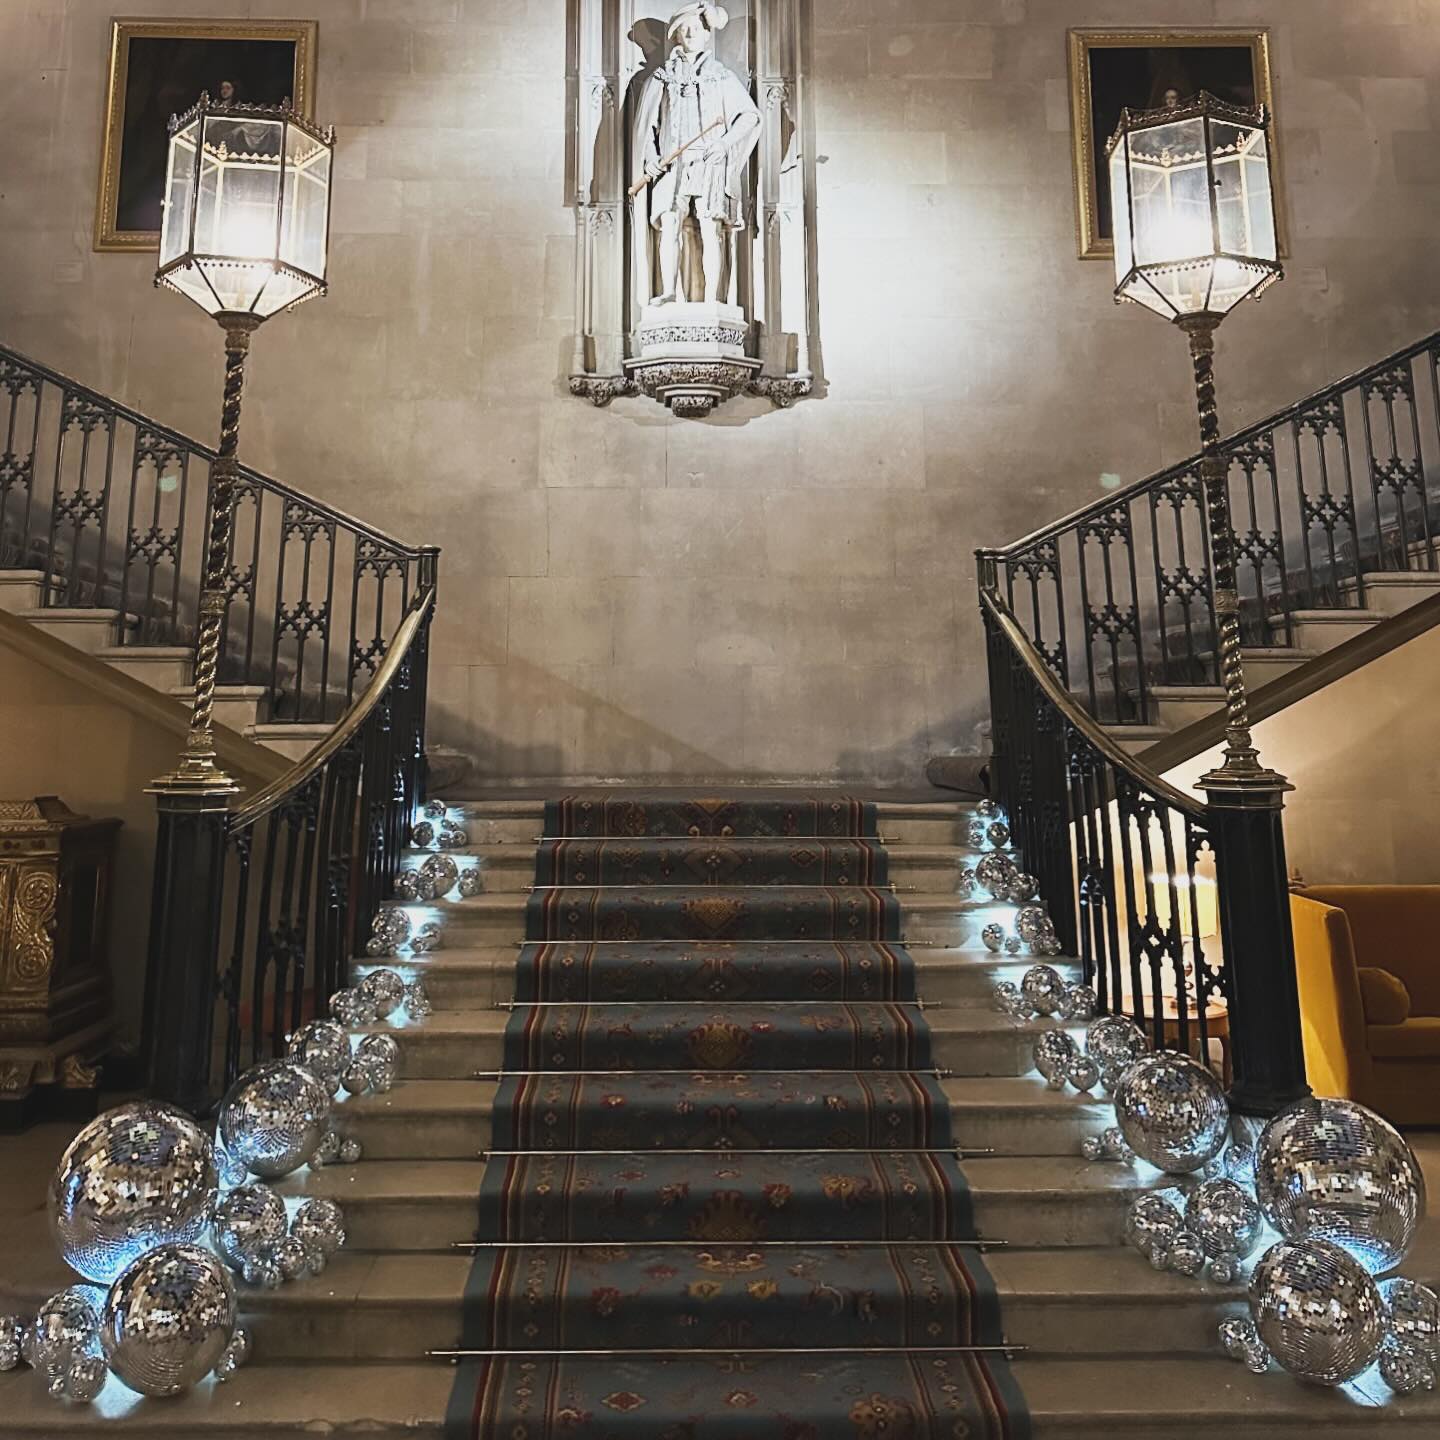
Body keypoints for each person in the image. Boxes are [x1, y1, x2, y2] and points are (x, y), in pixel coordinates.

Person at [633, 2, 761, 305]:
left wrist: (724, 144)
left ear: (707, 34)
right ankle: (668, 292)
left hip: (708, 161)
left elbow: (749, 116)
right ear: (676, 35)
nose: (690, 32)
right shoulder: (662, 78)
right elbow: (646, 127)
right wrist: (650, 157)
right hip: (671, 163)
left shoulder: (720, 77)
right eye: (684, 27)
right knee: (670, 222)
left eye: (697, 26)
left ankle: (716, 298)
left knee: (711, 225)